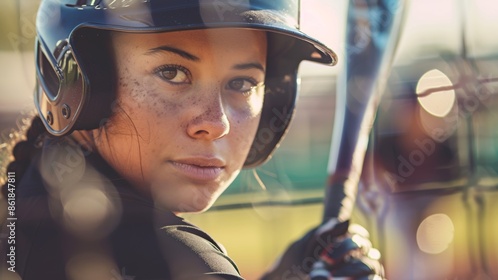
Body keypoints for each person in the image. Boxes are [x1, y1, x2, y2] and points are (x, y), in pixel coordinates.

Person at [0, 0, 384, 279]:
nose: (215, 123)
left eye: (242, 83)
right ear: (84, 83)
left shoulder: (26, 207)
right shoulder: (179, 261)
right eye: (172, 73)